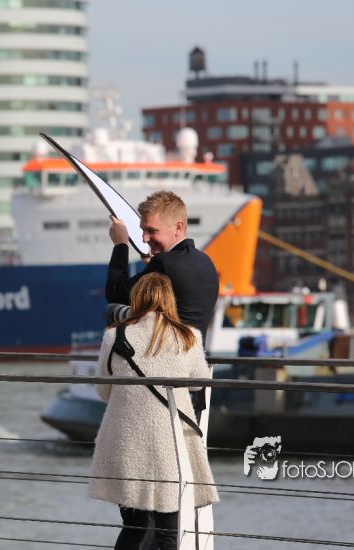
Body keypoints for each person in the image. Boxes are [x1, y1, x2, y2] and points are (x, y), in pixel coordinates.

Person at [89, 273, 219, 550]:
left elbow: (103, 390)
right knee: (168, 533)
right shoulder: (188, 337)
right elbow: (197, 382)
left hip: (127, 444)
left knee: (133, 527)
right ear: (170, 300)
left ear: (136, 299)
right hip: (169, 445)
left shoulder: (115, 336)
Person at [106, 190, 219, 343]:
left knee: (111, 311)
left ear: (178, 228)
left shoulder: (164, 264)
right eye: (143, 230)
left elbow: (115, 293)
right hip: (195, 354)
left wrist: (120, 245)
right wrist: (151, 264)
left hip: (167, 355)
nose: (144, 238)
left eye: (152, 231)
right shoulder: (205, 261)